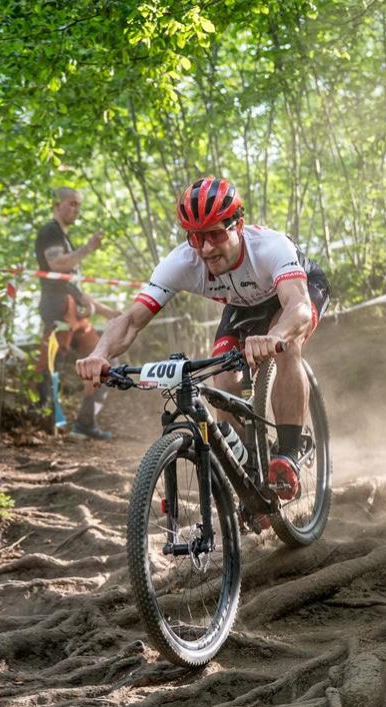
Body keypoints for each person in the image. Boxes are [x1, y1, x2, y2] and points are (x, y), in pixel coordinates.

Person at [76, 176, 330, 499]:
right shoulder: (182, 261)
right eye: (195, 237)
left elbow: (298, 307)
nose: (206, 248)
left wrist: (276, 334)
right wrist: (99, 354)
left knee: (287, 347)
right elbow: (129, 321)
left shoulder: (270, 247)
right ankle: (253, 473)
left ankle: (289, 454)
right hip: (242, 305)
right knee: (223, 382)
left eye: (215, 234)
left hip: (297, 292)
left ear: (238, 226)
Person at [35, 187, 120, 440]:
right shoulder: (50, 231)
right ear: (57, 204)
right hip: (57, 307)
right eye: (71, 203)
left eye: (78, 205)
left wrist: (107, 312)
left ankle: (85, 423)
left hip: (74, 310)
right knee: (52, 365)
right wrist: (88, 248)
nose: (76, 209)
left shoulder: (64, 238)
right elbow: (57, 264)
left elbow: (74, 287)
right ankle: (43, 426)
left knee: (105, 363)